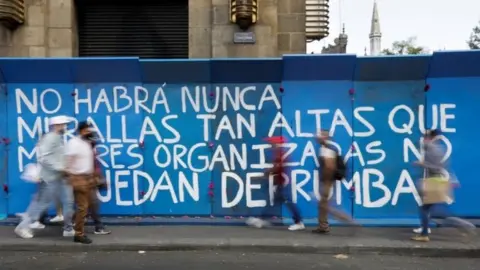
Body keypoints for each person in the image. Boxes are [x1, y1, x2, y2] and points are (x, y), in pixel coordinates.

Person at [15, 115, 75, 239]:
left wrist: (64, 168)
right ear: (56, 125)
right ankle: (22, 227)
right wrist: (61, 167)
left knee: (67, 201)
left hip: (60, 177)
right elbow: (44, 157)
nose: (65, 127)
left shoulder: (57, 138)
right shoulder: (50, 138)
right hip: (50, 178)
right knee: (42, 204)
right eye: (63, 124)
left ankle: (68, 228)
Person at [411, 129, 475, 242]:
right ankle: (463, 225)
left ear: (428, 138)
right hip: (438, 181)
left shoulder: (432, 149)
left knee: (429, 210)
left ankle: (425, 234)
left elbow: (436, 167)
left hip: (434, 182)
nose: (422, 141)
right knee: (434, 210)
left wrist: (421, 164)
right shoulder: (438, 148)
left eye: (424, 138)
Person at [246, 136, 305, 231]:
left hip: (283, 183)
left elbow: (276, 168)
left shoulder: (280, 154)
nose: (270, 145)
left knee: (288, 203)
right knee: (273, 202)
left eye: (272, 143)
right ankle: (261, 219)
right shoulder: (278, 153)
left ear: (277, 144)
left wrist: (266, 174)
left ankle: (299, 222)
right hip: (280, 182)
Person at [312, 130, 357, 234]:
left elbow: (329, 167)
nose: (318, 136)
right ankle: (323, 226)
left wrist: (325, 182)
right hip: (327, 181)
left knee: (325, 206)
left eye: (321, 135)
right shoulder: (325, 148)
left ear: (326, 137)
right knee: (323, 205)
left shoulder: (327, 149)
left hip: (327, 182)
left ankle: (349, 221)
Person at [66, 121, 98, 244]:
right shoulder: (74, 143)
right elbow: (68, 161)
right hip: (79, 178)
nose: (90, 132)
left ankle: (73, 225)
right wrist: (72, 176)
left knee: (87, 206)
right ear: (81, 130)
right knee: (83, 207)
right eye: (87, 130)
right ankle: (78, 234)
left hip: (88, 178)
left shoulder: (86, 143)